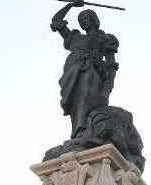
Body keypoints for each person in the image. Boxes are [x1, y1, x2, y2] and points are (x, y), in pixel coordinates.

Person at [50, 0, 119, 139]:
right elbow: (56, 20)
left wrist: (109, 83)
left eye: (86, 18)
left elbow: (111, 64)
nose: (83, 22)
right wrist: (70, 5)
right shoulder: (74, 37)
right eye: (80, 20)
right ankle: (77, 132)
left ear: (94, 19)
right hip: (72, 72)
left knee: (88, 97)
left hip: (92, 70)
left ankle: (86, 130)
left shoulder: (104, 39)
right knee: (75, 101)